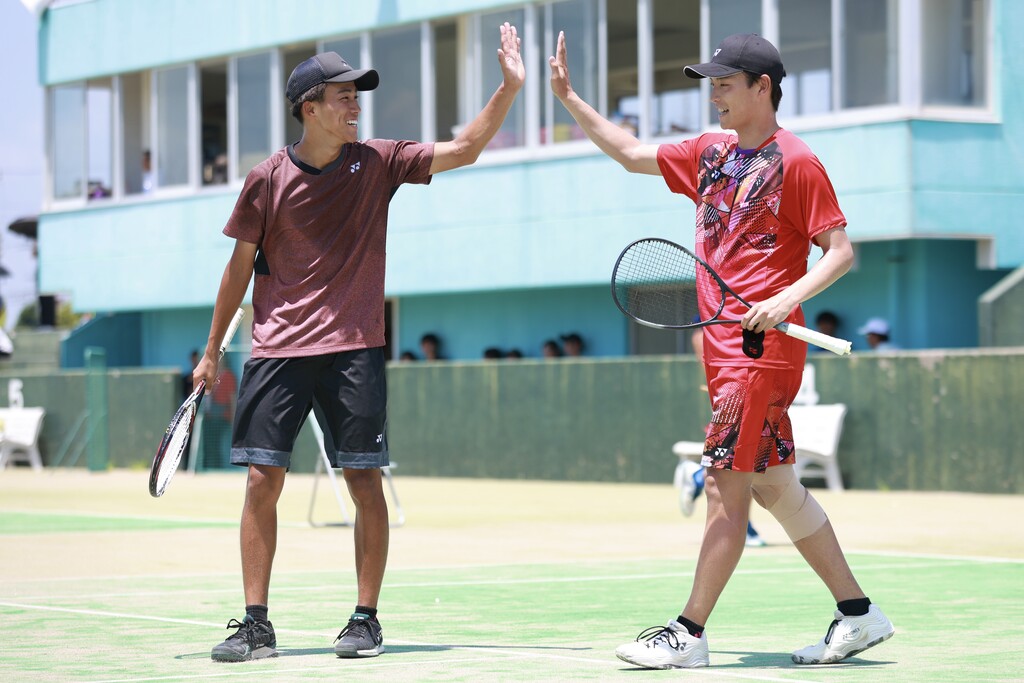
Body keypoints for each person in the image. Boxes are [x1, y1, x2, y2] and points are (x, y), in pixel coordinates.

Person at [549, 31, 893, 668]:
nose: (713, 97)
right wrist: (569, 98)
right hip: (722, 348)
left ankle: (688, 633)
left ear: (763, 87)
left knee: (724, 487)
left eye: (725, 85)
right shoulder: (709, 152)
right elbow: (628, 152)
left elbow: (840, 252)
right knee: (775, 487)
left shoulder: (798, 162)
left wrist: (788, 298)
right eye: (710, 85)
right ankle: (859, 614)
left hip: (759, 351)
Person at [195, 23, 525, 663]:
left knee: (363, 482)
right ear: (307, 108)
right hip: (278, 351)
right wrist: (212, 350)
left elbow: (464, 148)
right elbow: (237, 270)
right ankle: (256, 623)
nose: (355, 105)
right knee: (262, 480)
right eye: (342, 96)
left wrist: (509, 89)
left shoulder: (377, 161)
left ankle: (365, 618)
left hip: (354, 350)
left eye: (357, 96)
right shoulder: (266, 179)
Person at [680, 326, 765, 547]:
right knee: (740, 462)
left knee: (755, 461)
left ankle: (697, 477)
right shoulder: (714, 304)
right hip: (733, 383)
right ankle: (743, 526)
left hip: (761, 377)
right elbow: (702, 334)